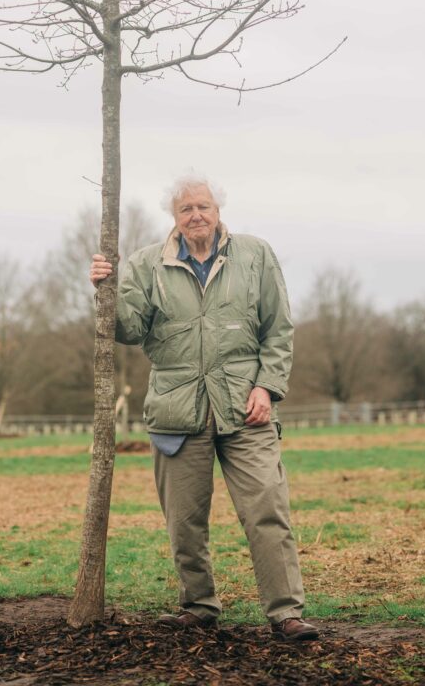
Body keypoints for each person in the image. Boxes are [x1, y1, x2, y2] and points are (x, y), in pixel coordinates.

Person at [89, 174, 318, 641]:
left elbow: (278, 328)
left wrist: (268, 388)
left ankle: (286, 613)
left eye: (204, 206)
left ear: (218, 211)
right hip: (177, 411)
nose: (197, 215)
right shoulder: (146, 263)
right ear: (174, 218)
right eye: (186, 209)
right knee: (185, 521)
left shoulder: (254, 255)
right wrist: (105, 288)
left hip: (246, 409)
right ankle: (198, 606)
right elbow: (129, 330)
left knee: (267, 511)